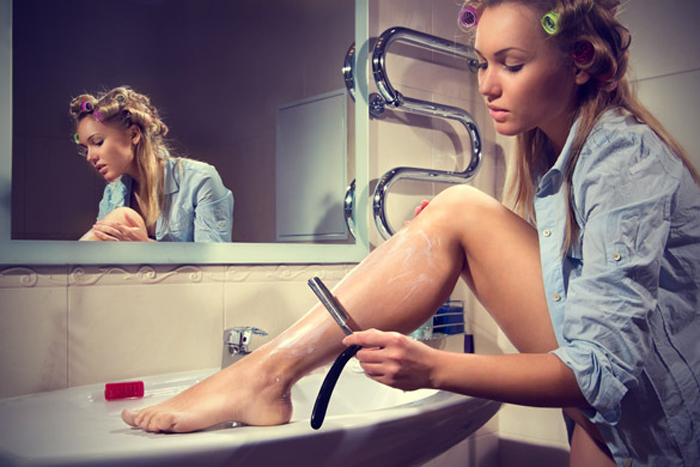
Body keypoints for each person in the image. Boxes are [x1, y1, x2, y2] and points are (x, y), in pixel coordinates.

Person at [121, 1, 699, 465]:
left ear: (579, 61)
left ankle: (262, 376)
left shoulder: (621, 158)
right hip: (621, 423)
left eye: (511, 64)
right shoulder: (558, 159)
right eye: (482, 63)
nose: (488, 85)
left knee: (460, 212)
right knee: (455, 218)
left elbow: (601, 371)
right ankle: (258, 375)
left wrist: (435, 368)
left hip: (664, 425)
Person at [71, 86, 234, 242]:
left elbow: (215, 266)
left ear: (133, 134)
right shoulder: (112, 194)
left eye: (98, 142)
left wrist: (147, 247)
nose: (90, 157)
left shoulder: (200, 180)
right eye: (86, 149)